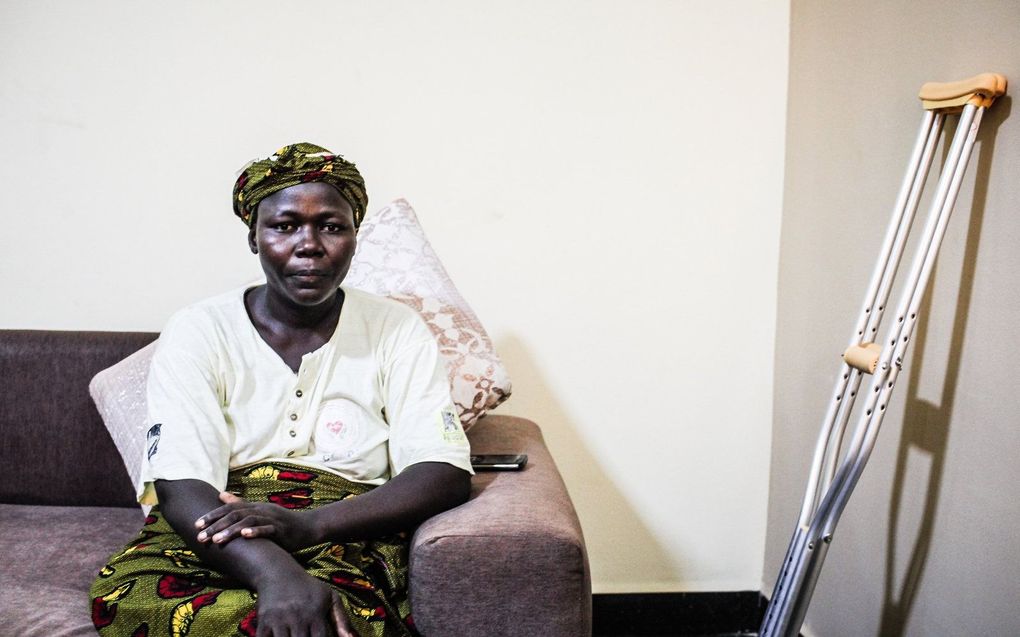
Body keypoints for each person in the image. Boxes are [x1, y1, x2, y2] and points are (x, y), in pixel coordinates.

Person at [89, 143, 473, 637]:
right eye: (285, 225)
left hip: (346, 526)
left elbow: (443, 472)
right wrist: (277, 575)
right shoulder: (199, 329)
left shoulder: (395, 328)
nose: (308, 244)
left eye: (331, 226)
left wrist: (309, 526)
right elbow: (181, 484)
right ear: (255, 238)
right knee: (127, 597)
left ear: (355, 238)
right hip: (222, 528)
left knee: (333, 619)